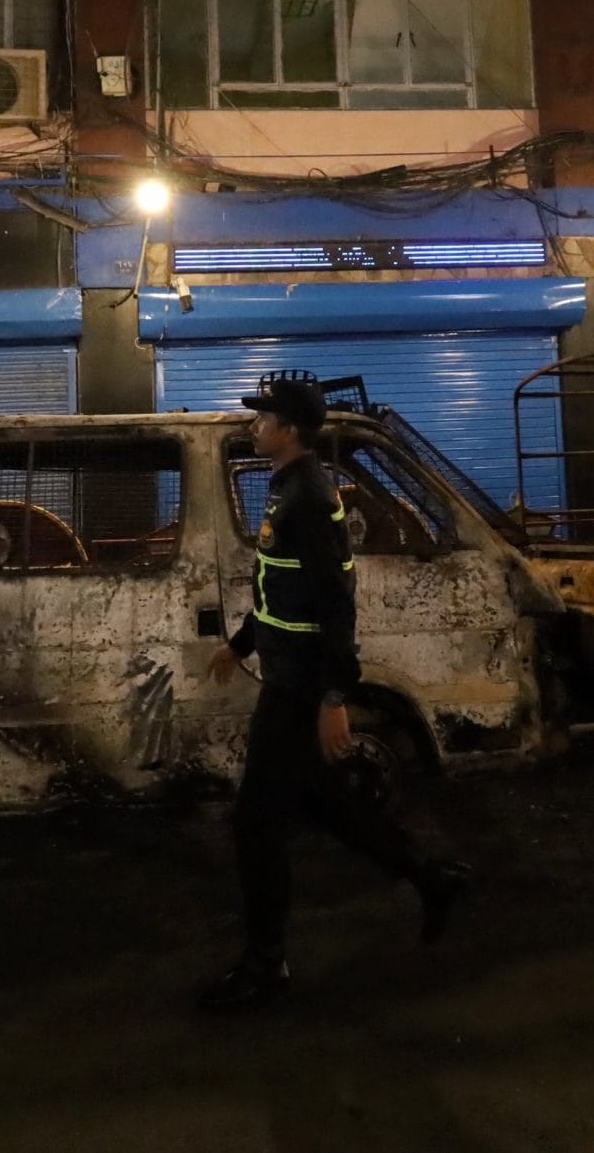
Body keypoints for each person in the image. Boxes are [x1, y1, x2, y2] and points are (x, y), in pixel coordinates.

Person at [196, 375, 472, 1013]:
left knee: (256, 829)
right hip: (288, 677)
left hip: (298, 691)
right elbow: (280, 588)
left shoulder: (311, 498)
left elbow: (335, 603)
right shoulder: (286, 489)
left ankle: (266, 965)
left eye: (263, 418)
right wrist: (240, 644)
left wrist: (332, 699)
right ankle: (432, 880)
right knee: (331, 805)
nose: (253, 426)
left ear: (288, 429)